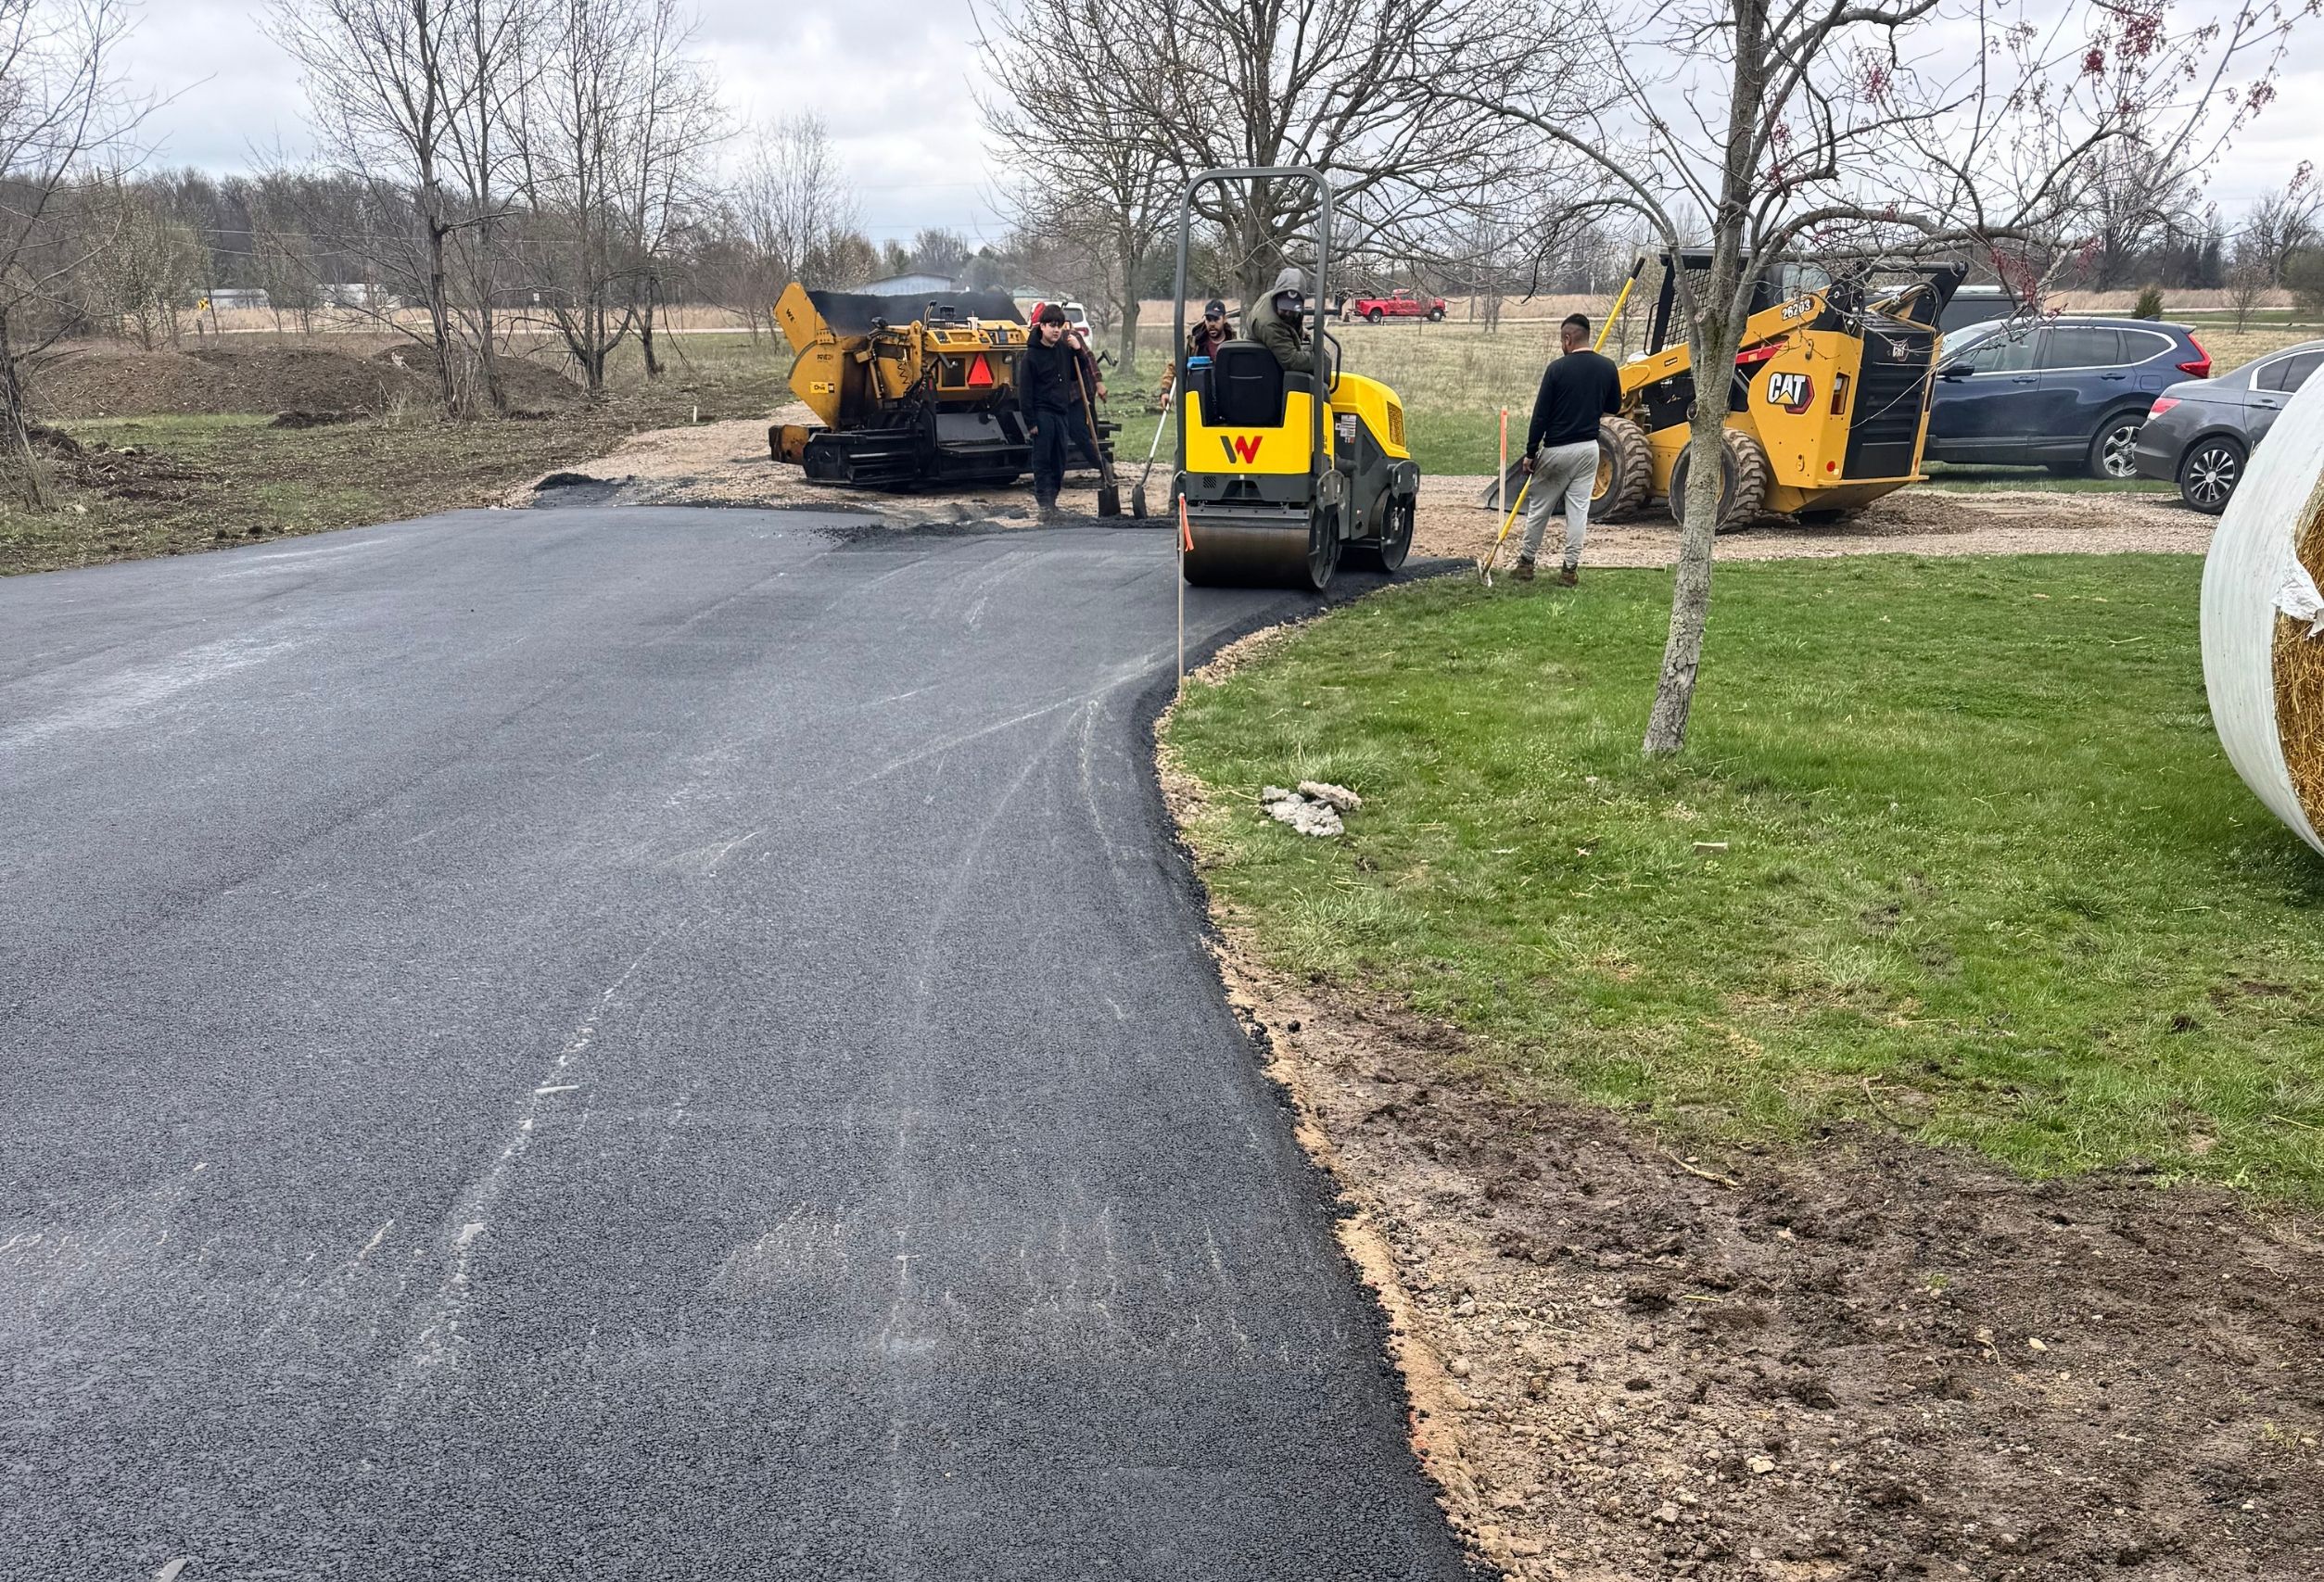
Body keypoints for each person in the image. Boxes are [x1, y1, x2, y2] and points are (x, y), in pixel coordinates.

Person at [1515, 312, 1624, 585]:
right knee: (1578, 512)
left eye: (1561, 340)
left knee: (1540, 507)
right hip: (1589, 449)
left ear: (1568, 338)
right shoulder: (1607, 367)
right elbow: (1615, 407)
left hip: (1557, 449)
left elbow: (1540, 415)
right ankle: (1569, 570)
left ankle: (1526, 564)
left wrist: (1531, 452)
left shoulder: (1557, 369)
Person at [1020, 303, 1104, 521]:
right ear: (1042, 327)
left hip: (1061, 411)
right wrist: (1031, 422)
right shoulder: (1030, 357)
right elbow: (1025, 394)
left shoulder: (1064, 349)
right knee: (1042, 460)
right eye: (1051, 326)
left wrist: (1077, 349)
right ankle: (1044, 504)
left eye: (1059, 325)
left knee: (1059, 459)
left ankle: (1053, 501)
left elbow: (1078, 373)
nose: (1056, 330)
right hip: (1041, 413)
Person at [1159, 299, 1234, 404]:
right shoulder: (1195, 345)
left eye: (1216, 319)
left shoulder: (1234, 346)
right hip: (1200, 403)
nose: (1212, 324)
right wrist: (1165, 391)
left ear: (1224, 319)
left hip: (1229, 401)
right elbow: (1174, 367)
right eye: (1208, 319)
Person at [1251, 266, 1316, 373]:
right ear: (1277, 297)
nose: (1288, 313)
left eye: (1293, 309)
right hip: (1264, 367)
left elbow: (1288, 324)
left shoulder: (1275, 295)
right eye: (1284, 308)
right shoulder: (1269, 324)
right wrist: (1319, 360)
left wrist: (1297, 331)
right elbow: (1291, 361)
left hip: (1274, 353)